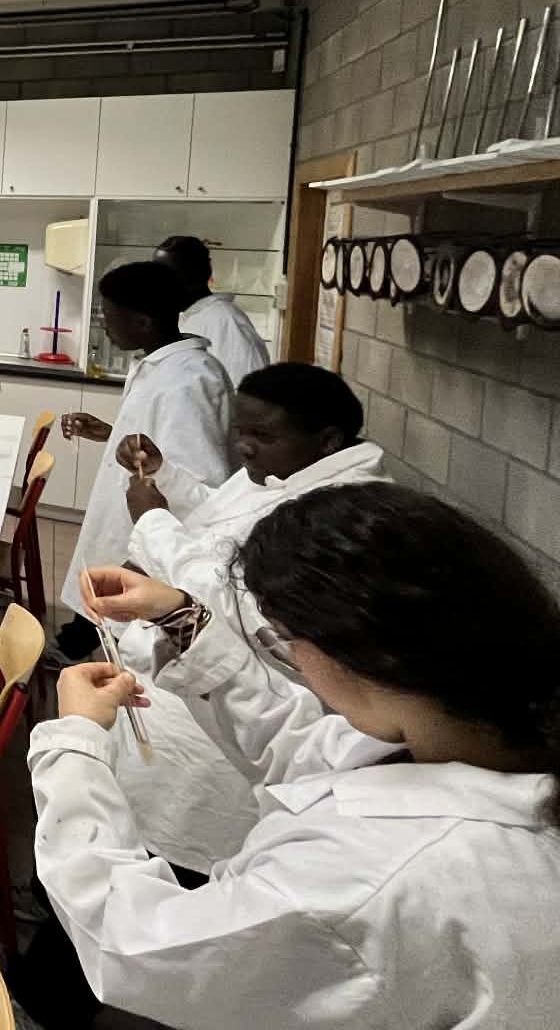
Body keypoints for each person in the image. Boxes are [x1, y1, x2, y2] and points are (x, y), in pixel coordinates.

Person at [29, 489, 560, 1029]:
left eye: (284, 640)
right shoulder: (481, 743)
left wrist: (75, 743)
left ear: (364, 656)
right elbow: (307, 747)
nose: (293, 661)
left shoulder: (369, 879)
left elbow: (130, 941)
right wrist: (181, 618)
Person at [113, 366, 385, 878]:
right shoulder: (287, 469)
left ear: (328, 440)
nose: (244, 447)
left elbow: (229, 600)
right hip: (198, 691)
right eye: (241, 431)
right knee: (135, 835)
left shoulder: (341, 515)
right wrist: (164, 476)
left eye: (262, 435)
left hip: (235, 725)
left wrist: (152, 525)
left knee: (175, 866)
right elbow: (220, 517)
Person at [56, 260, 231, 622]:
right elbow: (161, 442)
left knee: (122, 618)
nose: (105, 327)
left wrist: (152, 535)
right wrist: (111, 432)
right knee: (104, 607)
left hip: (155, 535)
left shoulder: (188, 382)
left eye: (110, 318)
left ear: (142, 323)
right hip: (135, 525)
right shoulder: (160, 366)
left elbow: (197, 482)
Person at [154, 235, 269, 389]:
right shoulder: (185, 317)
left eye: (165, 276)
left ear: (195, 276)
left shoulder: (227, 321)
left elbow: (251, 391)